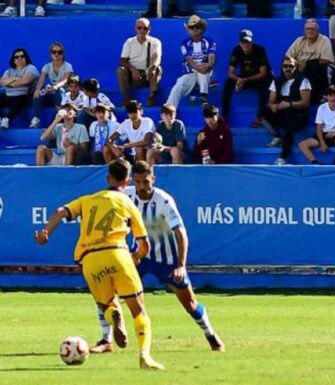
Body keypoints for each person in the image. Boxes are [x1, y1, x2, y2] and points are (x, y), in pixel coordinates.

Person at [34, 159, 165, 370]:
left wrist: (46, 232)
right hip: (117, 253)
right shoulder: (128, 203)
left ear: (108, 179)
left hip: (91, 259)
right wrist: (137, 256)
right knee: (139, 311)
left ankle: (114, 318)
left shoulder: (87, 200)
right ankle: (144, 356)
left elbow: (61, 211)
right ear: (128, 180)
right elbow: (144, 244)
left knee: (106, 304)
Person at [89, 161, 224, 354]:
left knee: (190, 304)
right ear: (132, 181)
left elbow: (180, 232)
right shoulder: (125, 196)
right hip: (138, 257)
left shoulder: (163, 200)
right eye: (138, 182)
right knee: (105, 291)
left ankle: (211, 335)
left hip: (167, 261)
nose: (142, 187)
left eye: (146, 182)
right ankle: (106, 339)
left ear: (153, 178)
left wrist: (181, 266)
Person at [261, 57, 311, 165]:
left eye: (291, 66)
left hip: (299, 115)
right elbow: (270, 101)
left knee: (290, 128)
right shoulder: (277, 81)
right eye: (285, 66)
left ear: (296, 67)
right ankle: (278, 136)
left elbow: (305, 102)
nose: (287, 68)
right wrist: (272, 106)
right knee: (263, 112)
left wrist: (289, 104)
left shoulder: (303, 81)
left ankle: (283, 157)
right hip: (283, 113)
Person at [221, 29, 272, 126]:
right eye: (243, 43)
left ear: (251, 41)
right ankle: (224, 116)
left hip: (259, 77)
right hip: (245, 77)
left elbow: (263, 73)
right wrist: (239, 80)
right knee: (228, 83)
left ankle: (260, 117)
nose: (245, 45)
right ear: (239, 43)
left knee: (264, 85)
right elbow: (231, 73)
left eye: (247, 42)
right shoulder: (236, 51)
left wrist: (245, 80)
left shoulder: (259, 50)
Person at [166, 15, 217, 108]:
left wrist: (209, 64)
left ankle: (203, 97)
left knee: (204, 72)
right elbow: (189, 59)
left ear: (201, 29)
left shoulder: (209, 41)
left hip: (206, 72)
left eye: (197, 27)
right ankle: (169, 109)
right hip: (190, 73)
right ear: (188, 30)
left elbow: (212, 55)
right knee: (179, 85)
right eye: (191, 27)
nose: (194, 29)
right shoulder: (185, 43)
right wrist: (198, 68)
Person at [298, 86, 335, 165]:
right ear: (327, 97)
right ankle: (314, 161)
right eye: (331, 96)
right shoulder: (321, 108)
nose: (333, 98)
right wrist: (322, 143)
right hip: (324, 134)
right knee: (302, 144)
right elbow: (319, 127)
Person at [285, 19, 335, 104]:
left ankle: (318, 97)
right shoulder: (299, 40)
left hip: (318, 69)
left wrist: (307, 64)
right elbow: (287, 56)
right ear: (304, 31)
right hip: (299, 66)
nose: (310, 31)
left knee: (313, 68)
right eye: (308, 29)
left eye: (312, 29)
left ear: (317, 30)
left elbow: (326, 60)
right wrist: (299, 64)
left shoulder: (324, 40)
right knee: (287, 66)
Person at [117, 18, 163, 107]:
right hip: (133, 75)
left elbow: (156, 56)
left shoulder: (155, 42)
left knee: (157, 69)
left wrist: (152, 67)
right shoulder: (129, 42)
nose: (142, 30)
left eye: (144, 28)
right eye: (139, 28)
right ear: (135, 29)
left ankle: (152, 96)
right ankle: (127, 97)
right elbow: (123, 60)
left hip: (148, 74)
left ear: (149, 29)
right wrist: (132, 69)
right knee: (121, 70)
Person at [31, 42, 73, 128]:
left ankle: (59, 116)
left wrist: (56, 86)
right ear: (51, 54)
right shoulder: (47, 66)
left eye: (59, 52)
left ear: (63, 54)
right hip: (51, 91)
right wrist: (38, 89)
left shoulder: (68, 66)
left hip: (64, 93)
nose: (56, 54)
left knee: (59, 91)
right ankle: (36, 119)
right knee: (38, 94)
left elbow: (65, 80)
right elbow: (41, 81)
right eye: (54, 52)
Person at [0, 48, 39, 129]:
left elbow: (25, 81)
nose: (19, 58)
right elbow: (2, 81)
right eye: (16, 57)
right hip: (8, 95)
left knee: (19, 100)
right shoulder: (9, 71)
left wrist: (9, 83)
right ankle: (1, 119)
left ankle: (6, 120)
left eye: (22, 56)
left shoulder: (31, 68)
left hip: (24, 95)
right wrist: (16, 78)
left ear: (26, 58)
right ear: (13, 60)